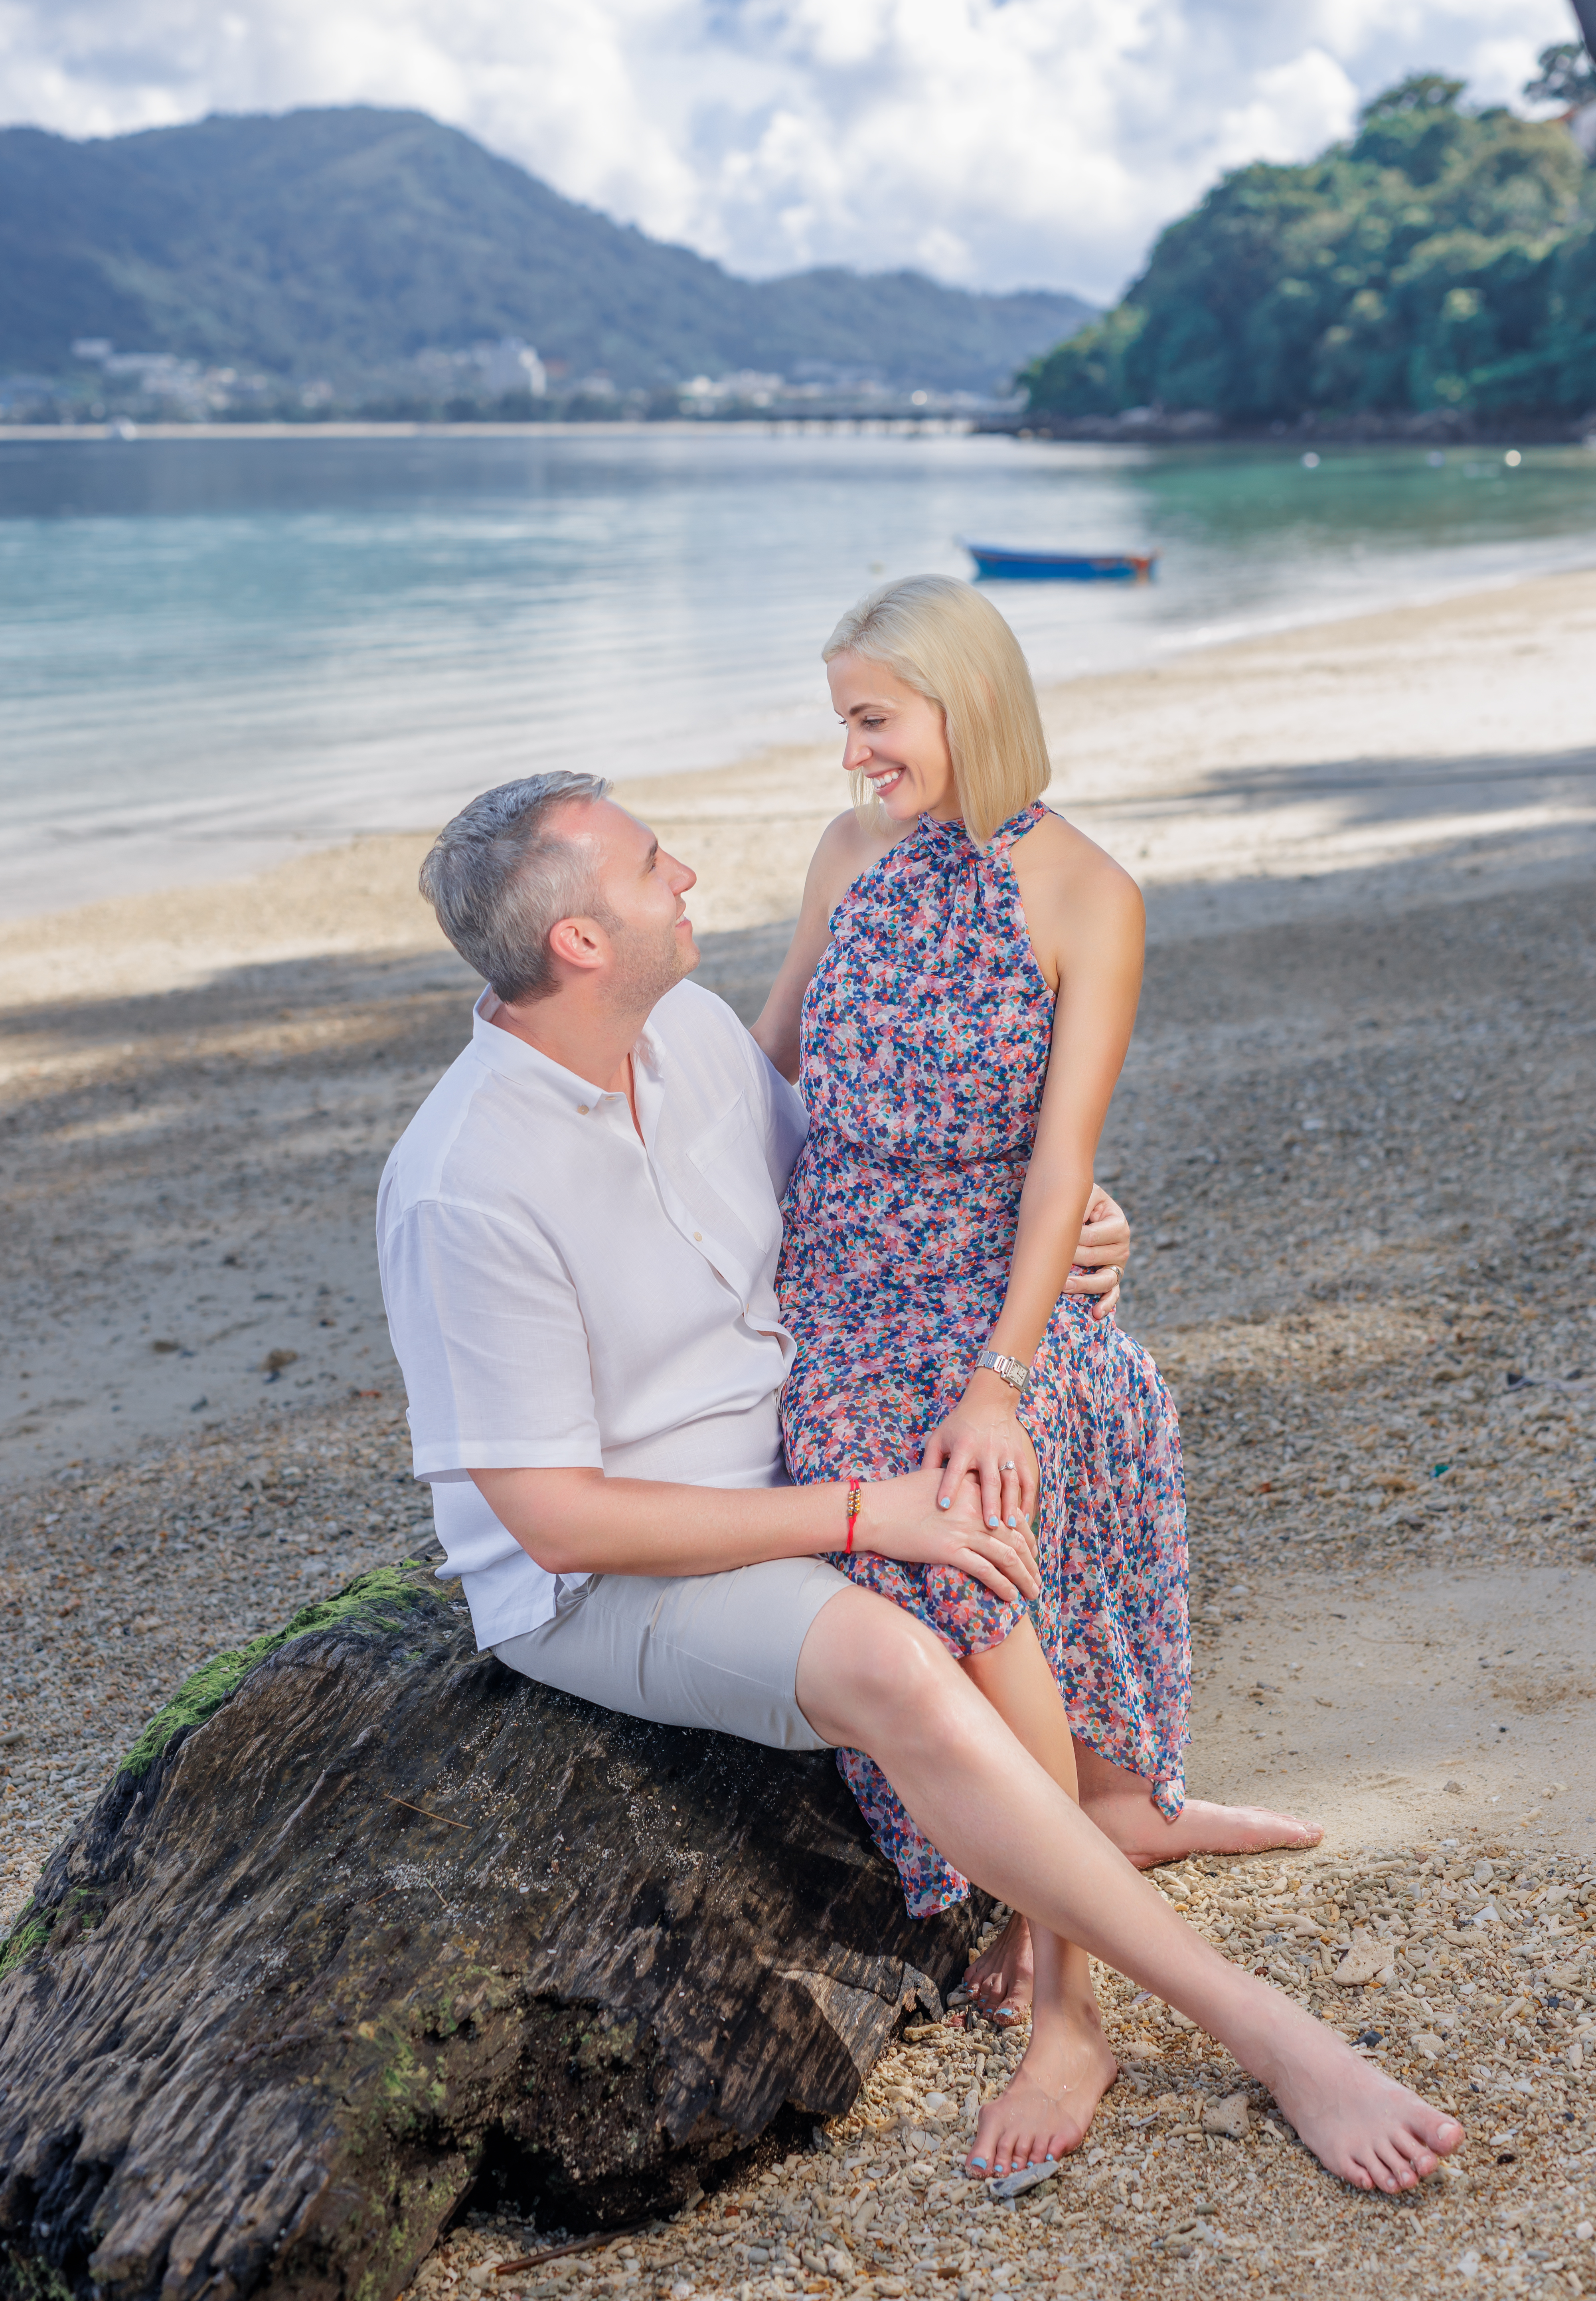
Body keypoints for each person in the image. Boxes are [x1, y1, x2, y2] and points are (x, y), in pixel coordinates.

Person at [376, 766, 1462, 2194]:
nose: (687, 876)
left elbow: (871, 1191)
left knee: (1027, 1412)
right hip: (615, 1575)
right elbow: (552, 1518)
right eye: (652, 866)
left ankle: (1105, 1804)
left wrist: (1075, 1232)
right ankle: (1267, 2038)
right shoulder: (468, 1182)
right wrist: (860, 1513)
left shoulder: (691, 1033)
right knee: (900, 1652)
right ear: (578, 941)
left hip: (795, 1446)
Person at [753, 575, 1315, 2026]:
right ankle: (1099, 1845)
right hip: (844, 1285)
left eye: (873, 720)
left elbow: (1066, 1161)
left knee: (983, 1504)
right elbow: (769, 1063)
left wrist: (1002, 1373)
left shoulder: (1087, 894)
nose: (853, 753)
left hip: (999, 1299)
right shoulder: (847, 853)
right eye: (843, 724)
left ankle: (1065, 1970)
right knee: (930, 1520)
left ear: (965, 703)